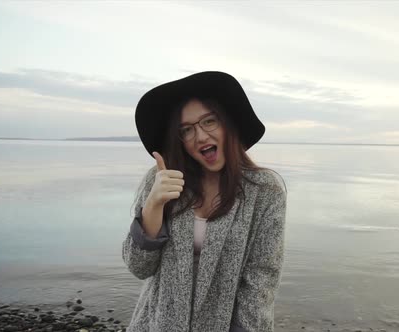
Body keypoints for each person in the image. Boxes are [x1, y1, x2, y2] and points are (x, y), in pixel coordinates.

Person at [122, 71, 287, 332]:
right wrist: (153, 205)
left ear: (228, 124)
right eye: (186, 130)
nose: (200, 136)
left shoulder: (265, 191)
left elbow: (260, 280)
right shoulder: (161, 180)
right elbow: (139, 267)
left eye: (209, 121)